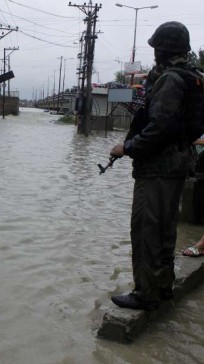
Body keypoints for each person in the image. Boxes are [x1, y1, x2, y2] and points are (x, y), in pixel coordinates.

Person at [109, 21, 203, 310]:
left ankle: (146, 293)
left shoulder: (170, 80)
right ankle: (162, 287)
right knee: (165, 228)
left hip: (158, 166)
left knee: (146, 228)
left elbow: (160, 127)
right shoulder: (192, 77)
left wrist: (127, 147)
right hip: (177, 164)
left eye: (156, 49)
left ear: (163, 49)